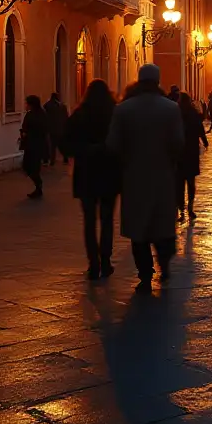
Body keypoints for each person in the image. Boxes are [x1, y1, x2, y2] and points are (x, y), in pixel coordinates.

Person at [107, 63, 184, 291]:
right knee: (162, 224)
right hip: (163, 176)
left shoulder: (123, 109)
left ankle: (145, 273)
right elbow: (179, 143)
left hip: (134, 177)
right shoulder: (171, 109)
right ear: (158, 81)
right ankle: (165, 264)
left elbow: (112, 145)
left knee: (138, 228)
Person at [64, 80, 121, 278]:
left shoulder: (79, 115)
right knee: (107, 220)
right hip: (109, 173)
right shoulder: (115, 114)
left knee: (89, 221)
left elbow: (65, 143)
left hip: (86, 173)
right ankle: (105, 260)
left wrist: (83, 152)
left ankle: (93, 262)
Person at [177, 92, 208, 221]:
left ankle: (180, 208)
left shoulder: (175, 113)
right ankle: (190, 207)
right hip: (191, 151)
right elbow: (200, 128)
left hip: (178, 151)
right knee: (191, 182)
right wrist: (205, 141)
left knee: (178, 182)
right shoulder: (193, 114)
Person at [19, 95, 49, 198]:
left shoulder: (35, 115)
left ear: (31, 104)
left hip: (34, 145)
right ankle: (38, 186)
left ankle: (38, 186)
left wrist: (26, 134)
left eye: (27, 103)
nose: (25, 105)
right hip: (33, 144)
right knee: (29, 166)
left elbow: (37, 129)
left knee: (31, 166)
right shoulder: (36, 114)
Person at [43, 92, 69, 166]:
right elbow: (66, 117)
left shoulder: (47, 105)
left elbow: (44, 115)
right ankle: (65, 158)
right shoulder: (62, 106)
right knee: (62, 144)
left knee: (52, 146)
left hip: (51, 129)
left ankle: (52, 161)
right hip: (61, 129)